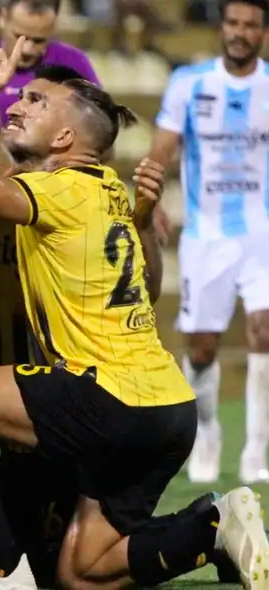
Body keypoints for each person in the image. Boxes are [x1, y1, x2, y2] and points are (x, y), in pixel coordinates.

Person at [0, 43, 267, 590]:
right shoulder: (102, 187)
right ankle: (213, 528)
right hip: (167, 409)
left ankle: (4, 573)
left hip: (107, 395)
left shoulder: (59, 191)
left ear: (64, 139)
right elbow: (3, 180)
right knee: (84, 573)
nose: (19, 103)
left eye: (35, 100)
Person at [147, 0, 269, 485]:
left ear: (263, 31)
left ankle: (257, 450)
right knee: (200, 347)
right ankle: (207, 436)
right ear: (223, 27)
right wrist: (153, 199)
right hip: (206, 233)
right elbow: (161, 147)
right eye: (233, 23)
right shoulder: (189, 83)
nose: (240, 32)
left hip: (262, 231)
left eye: (251, 25)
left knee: (264, 332)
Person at [0, 0, 101, 364]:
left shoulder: (72, 66)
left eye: (40, 40)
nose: (30, 49)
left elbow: (98, 134)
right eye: (21, 36)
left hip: (46, 215)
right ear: (2, 16)